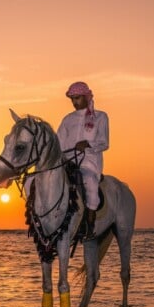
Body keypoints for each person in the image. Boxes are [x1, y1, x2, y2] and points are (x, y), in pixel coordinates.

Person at [56, 81, 109, 239]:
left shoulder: (100, 117)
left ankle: (89, 224)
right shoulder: (67, 120)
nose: (74, 102)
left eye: (77, 98)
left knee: (89, 181)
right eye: (72, 99)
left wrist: (87, 144)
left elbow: (104, 143)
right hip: (67, 163)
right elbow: (59, 143)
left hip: (89, 164)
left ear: (86, 97)